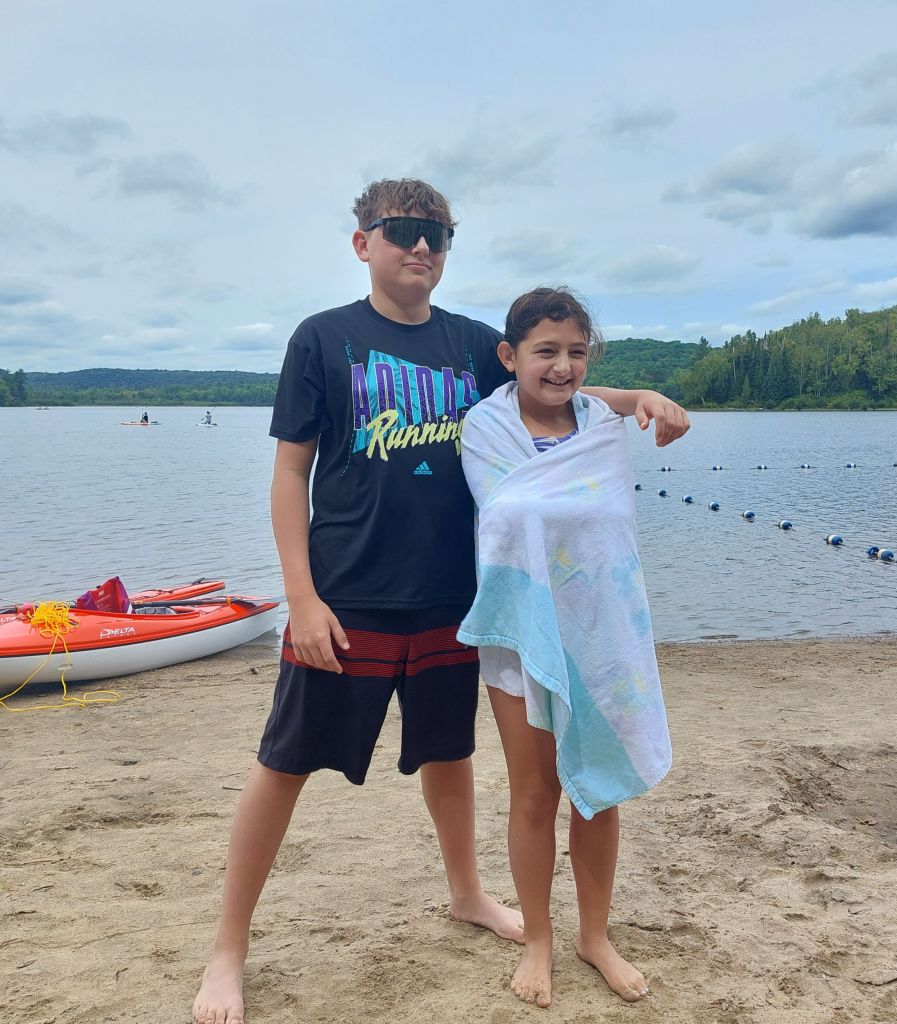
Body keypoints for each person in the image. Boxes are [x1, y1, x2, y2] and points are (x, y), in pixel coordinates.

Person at [192, 179, 688, 1024]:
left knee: (448, 756)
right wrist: (300, 598)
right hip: (347, 594)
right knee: (282, 764)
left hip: (456, 599)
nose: (420, 246)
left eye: (437, 233)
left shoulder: (469, 345)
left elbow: (548, 389)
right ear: (364, 243)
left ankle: (467, 893)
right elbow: (289, 473)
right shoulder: (324, 339)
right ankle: (227, 950)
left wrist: (635, 398)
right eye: (403, 231)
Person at [457, 287, 673, 1008]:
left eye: (577, 352)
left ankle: (595, 936)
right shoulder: (483, 429)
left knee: (598, 789)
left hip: (603, 634)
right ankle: (540, 941)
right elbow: (506, 516)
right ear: (508, 355)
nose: (563, 367)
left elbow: (605, 518)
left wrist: (643, 393)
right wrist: (639, 392)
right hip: (521, 637)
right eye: (546, 351)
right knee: (535, 793)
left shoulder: (600, 426)